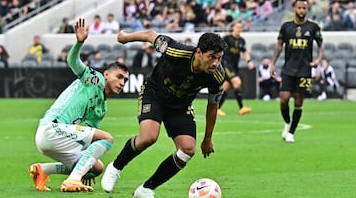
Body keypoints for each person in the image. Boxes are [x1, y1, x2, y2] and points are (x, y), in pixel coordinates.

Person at [101, 30, 228, 198]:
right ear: (198, 52)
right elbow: (149, 35)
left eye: (219, 58)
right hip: (154, 94)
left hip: (180, 105)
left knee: (188, 149)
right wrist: (125, 38)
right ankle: (115, 167)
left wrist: (208, 139)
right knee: (148, 137)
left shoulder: (217, 76)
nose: (215, 63)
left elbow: (213, 105)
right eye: (211, 57)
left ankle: (146, 189)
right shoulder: (176, 50)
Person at [28, 18, 130, 192]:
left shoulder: (101, 108)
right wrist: (79, 43)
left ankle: (42, 170)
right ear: (106, 74)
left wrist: (86, 166)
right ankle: (72, 180)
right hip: (51, 128)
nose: (122, 82)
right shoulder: (95, 79)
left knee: (96, 168)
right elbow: (73, 62)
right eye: (119, 77)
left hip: (55, 139)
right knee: (108, 138)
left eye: (125, 80)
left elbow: (91, 143)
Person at [270, 0, 323, 143]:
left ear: (307, 9)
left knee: (299, 102)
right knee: (284, 99)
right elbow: (279, 45)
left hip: (305, 70)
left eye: (304, 8)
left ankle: (291, 132)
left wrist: (318, 59)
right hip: (288, 69)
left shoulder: (313, 27)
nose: (301, 10)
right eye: (299, 8)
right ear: (294, 9)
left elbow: (320, 44)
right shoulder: (286, 26)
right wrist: (273, 63)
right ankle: (288, 122)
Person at [217, 21, 254, 116]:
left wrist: (249, 61)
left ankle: (217, 108)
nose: (239, 29)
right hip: (226, 64)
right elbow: (219, 48)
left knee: (226, 87)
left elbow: (244, 52)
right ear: (233, 28)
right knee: (237, 82)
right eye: (237, 27)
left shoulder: (241, 40)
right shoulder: (227, 38)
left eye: (240, 27)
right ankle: (242, 108)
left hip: (234, 66)